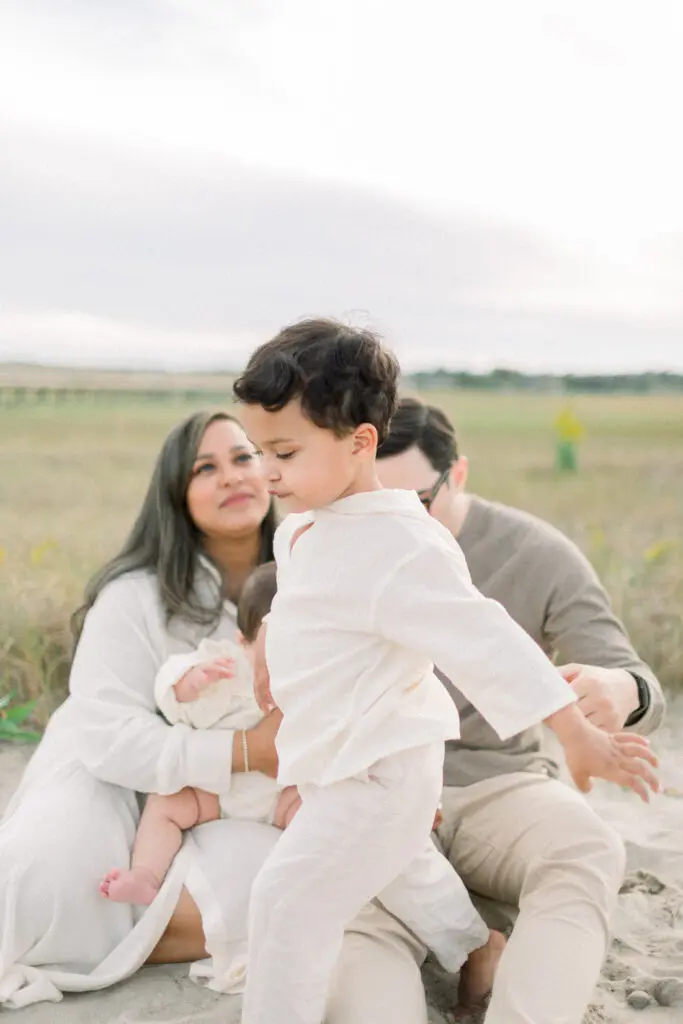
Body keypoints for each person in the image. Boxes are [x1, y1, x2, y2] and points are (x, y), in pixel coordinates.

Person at [232, 319, 658, 1024]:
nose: (266, 472)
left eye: (283, 453)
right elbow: (314, 595)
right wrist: (273, 636)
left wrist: (576, 731)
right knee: (402, 881)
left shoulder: (404, 544)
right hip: (333, 763)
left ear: (359, 443)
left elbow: (490, 642)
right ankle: (474, 948)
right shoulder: (305, 524)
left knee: (286, 901)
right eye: (258, 452)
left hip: (381, 776)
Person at [0, 411, 427, 1021]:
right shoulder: (134, 595)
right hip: (116, 773)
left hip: (249, 794)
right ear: (176, 493)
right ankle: (122, 922)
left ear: (273, 469)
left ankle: (137, 929)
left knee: (310, 873)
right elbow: (106, 734)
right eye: (206, 468)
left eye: (244, 457)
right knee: (44, 878)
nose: (232, 476)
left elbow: (383, 688)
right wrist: (246, 750)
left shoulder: (319, 570)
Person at [375, 395, 667, 1024]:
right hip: (374, 789)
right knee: (354, 926)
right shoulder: (338, 546)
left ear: (457, 474)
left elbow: (638, 681)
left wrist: (623, 690)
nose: (396, 526)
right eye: (376, 506)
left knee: (587, 847)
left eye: (416, 504)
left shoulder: (534, 553)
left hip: (497, 785)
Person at [99, 562, 304, 907]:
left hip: (280, 793)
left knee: (318, 809)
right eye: (272, 647)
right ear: (242, 642)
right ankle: (146, 875)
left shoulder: (314, 676)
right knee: (165, 804)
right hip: (216, 790)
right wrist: (189, 683)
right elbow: (170, 693)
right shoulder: (221, 664)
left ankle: (309, 876)